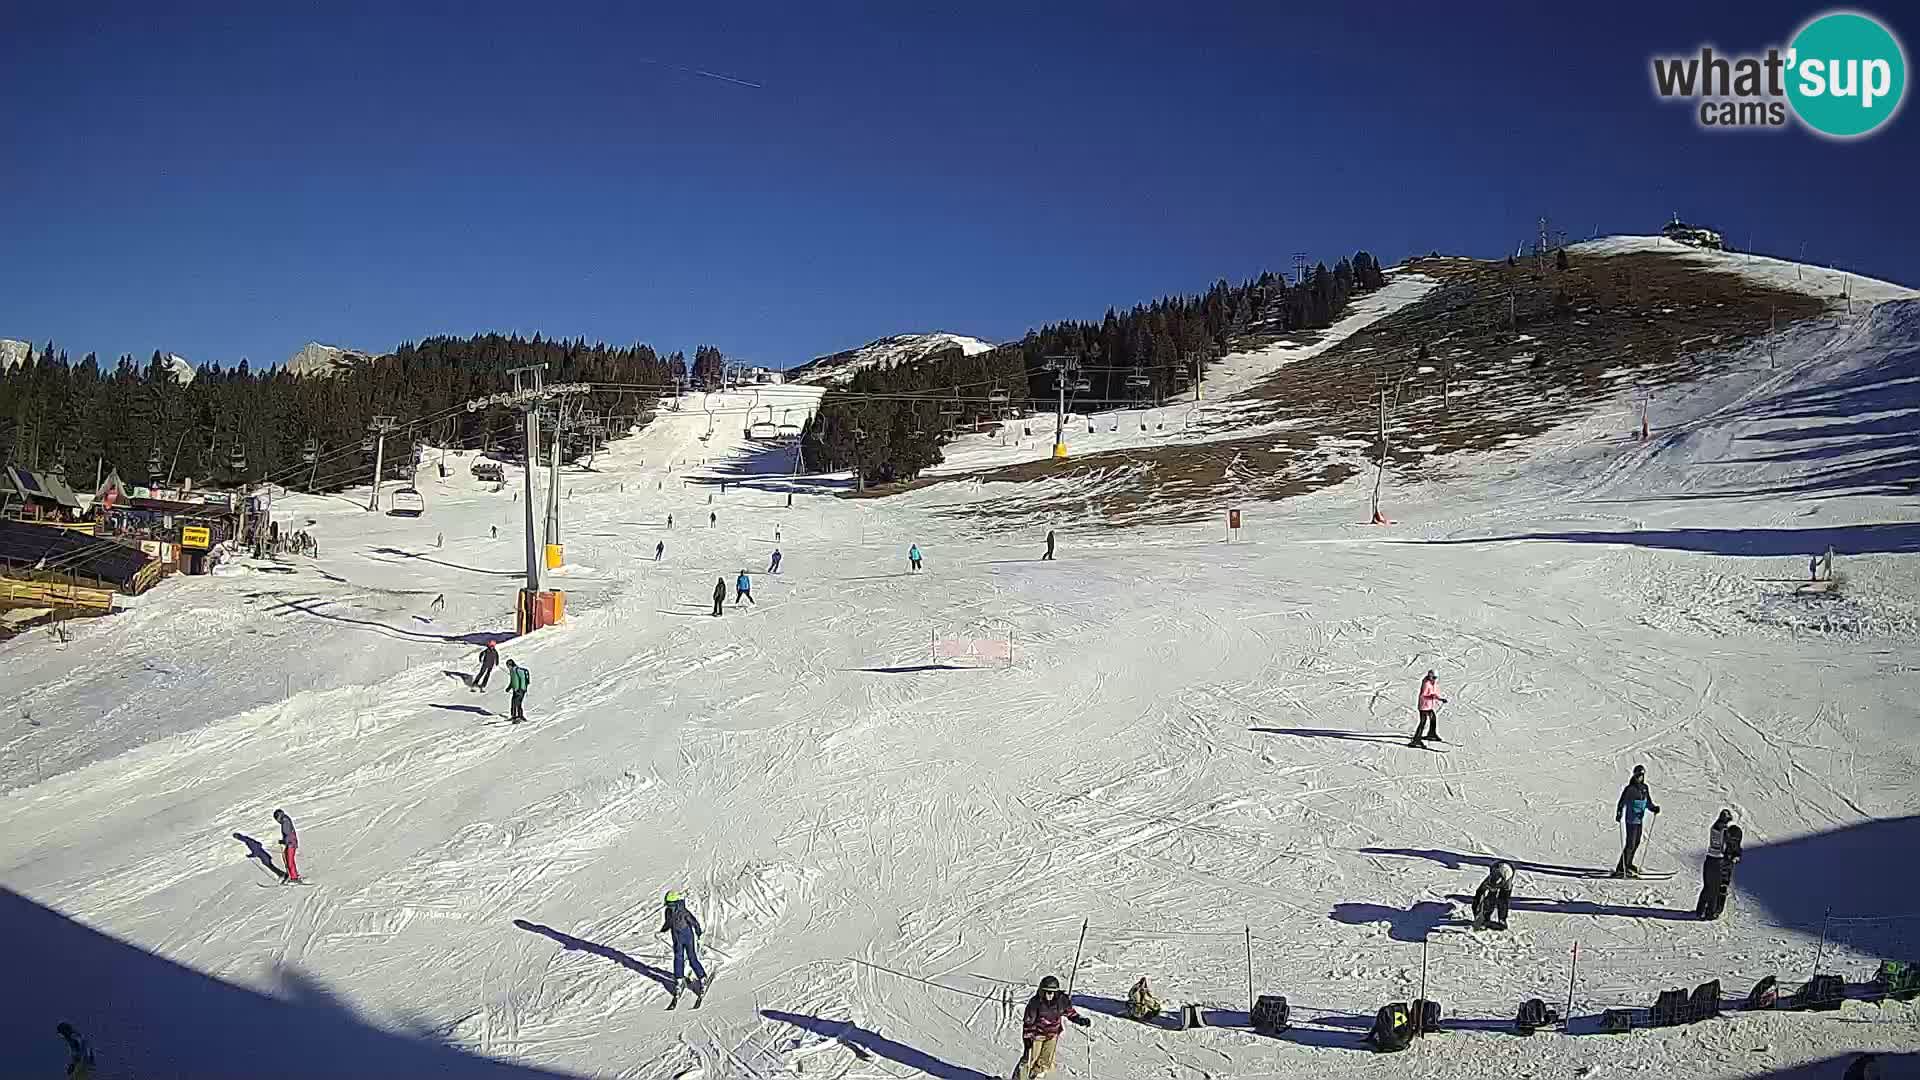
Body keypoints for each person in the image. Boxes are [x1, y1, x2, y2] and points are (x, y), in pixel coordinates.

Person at [1011, 975, 1090, 1080]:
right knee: (1030, 1059)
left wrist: (1080, 1020)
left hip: (1052, 1034)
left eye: (1052, 992)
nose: (1049, 995)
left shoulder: (1062, 1001)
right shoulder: (1035, 1003)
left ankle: (1034, 1076)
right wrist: (1027, 1039)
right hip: (1036, 1035)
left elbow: (1070, 1013)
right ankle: (1019, 1078)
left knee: (1045, 1060)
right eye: (1047, 992)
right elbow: (1028, 1023)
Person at [1613, 765, 1661, 878]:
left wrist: (1653, 808)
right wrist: (1619, 812)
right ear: (1634, 776)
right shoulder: (1630, 789)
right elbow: (1622, 802)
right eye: (1638, 775)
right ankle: (1621, 868)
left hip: (1639, 820)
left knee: (1637, 842)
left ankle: (1628, 864)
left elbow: (1648, 802)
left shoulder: (1644, 788)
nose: (1640, 777)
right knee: (1630, 844)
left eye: (1641, 775)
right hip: (1631, 820)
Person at [660, 890, 707, 1001]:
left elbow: (694, 922)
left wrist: (699, 933)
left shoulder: (684, 912)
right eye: (668, 905)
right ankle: (679, 980)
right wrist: (662, 931)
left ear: (676, 903)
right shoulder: (668, 912)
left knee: (692, 959)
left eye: (671, 905)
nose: (669, 907)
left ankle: (702, 977)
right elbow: (668, 923)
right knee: (678, 959)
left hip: (688, 938)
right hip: (677, 940)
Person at [1695, 810, 1734, 919]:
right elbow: (1727, 846)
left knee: (1707, 887)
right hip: (1718, 861)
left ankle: (1700, 910)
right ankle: (1710, 912)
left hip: (1709, 859)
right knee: (1715, 888)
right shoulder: (1724, 830)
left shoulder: (1714, 827)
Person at [1409, 670, 1448, 747]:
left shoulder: (1433, 683)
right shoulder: (1426, 683)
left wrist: (1440, 699)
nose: (1434, 679)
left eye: (1435, 677)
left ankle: (1431, 734)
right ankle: (1416, 740)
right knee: (1423, 722)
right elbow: (1423, 695)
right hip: (1423, 706)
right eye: (1433, 677)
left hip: (1429, 705)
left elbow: (1434, 694)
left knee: (1433, 719)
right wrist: (1431, 696)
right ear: (1430, 676)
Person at [1472, 861, 1514, 930]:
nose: (1493, 889)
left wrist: (1502, 918)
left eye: (1494, 888)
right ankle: (1486, 915)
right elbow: (1479, 894)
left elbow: (1505, 901)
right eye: (1491, 887)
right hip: (1496, 867)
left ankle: (1502, 919)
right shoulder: (1488, 880)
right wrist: (1477, 913)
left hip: (1508, 871)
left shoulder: (1507, 881)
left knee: (1503, 899)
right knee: (1491, 896)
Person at [274, 808, 301, 884]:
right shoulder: (285, 819)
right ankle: (291, 873)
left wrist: (283, 841)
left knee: (289, 860)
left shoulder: (285, 822)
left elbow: (288, 835)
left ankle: (294, 877)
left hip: (291, 843)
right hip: (291, 842)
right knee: (287, 858)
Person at [505, 659, 530, 724]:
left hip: (520, 690)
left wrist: (520, 689)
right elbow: (513, 681)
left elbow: (522, 679)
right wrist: (509, 688)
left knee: (517, 703)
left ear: (511, 664)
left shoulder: (517, 670)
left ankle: (518, 717)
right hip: (515, 690)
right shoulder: (512, 671)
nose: (508, 667)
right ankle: (515, 716)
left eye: (508, 665)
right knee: (514, 702)